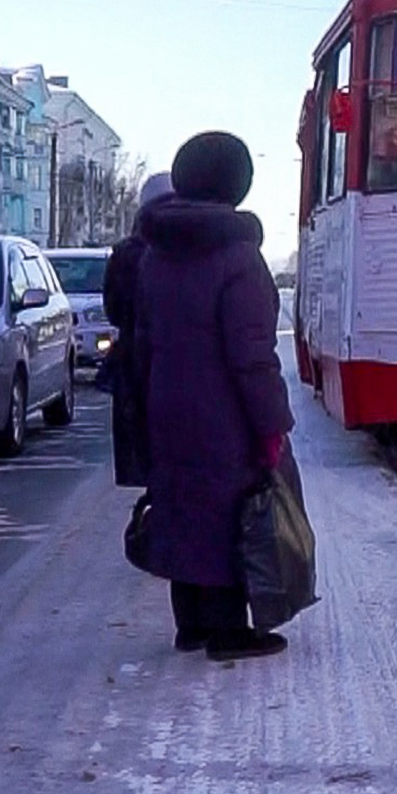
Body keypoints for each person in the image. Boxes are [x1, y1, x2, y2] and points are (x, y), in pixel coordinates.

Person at [136, 132, 296, 661]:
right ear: (237, 185)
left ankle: (192, 625)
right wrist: (272, 424)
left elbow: (143, 341)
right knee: (231, 511)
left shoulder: (156, 253)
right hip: (224, 412)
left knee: (183, 506)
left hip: (167, 404)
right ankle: (229, 631)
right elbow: (252, 356)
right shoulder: (238, 257)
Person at [101, 172, 174, 489]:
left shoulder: (126, 254)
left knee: (148, 468)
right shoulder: (191, 247)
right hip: (185, 372)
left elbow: (114, 312)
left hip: (135, 370)